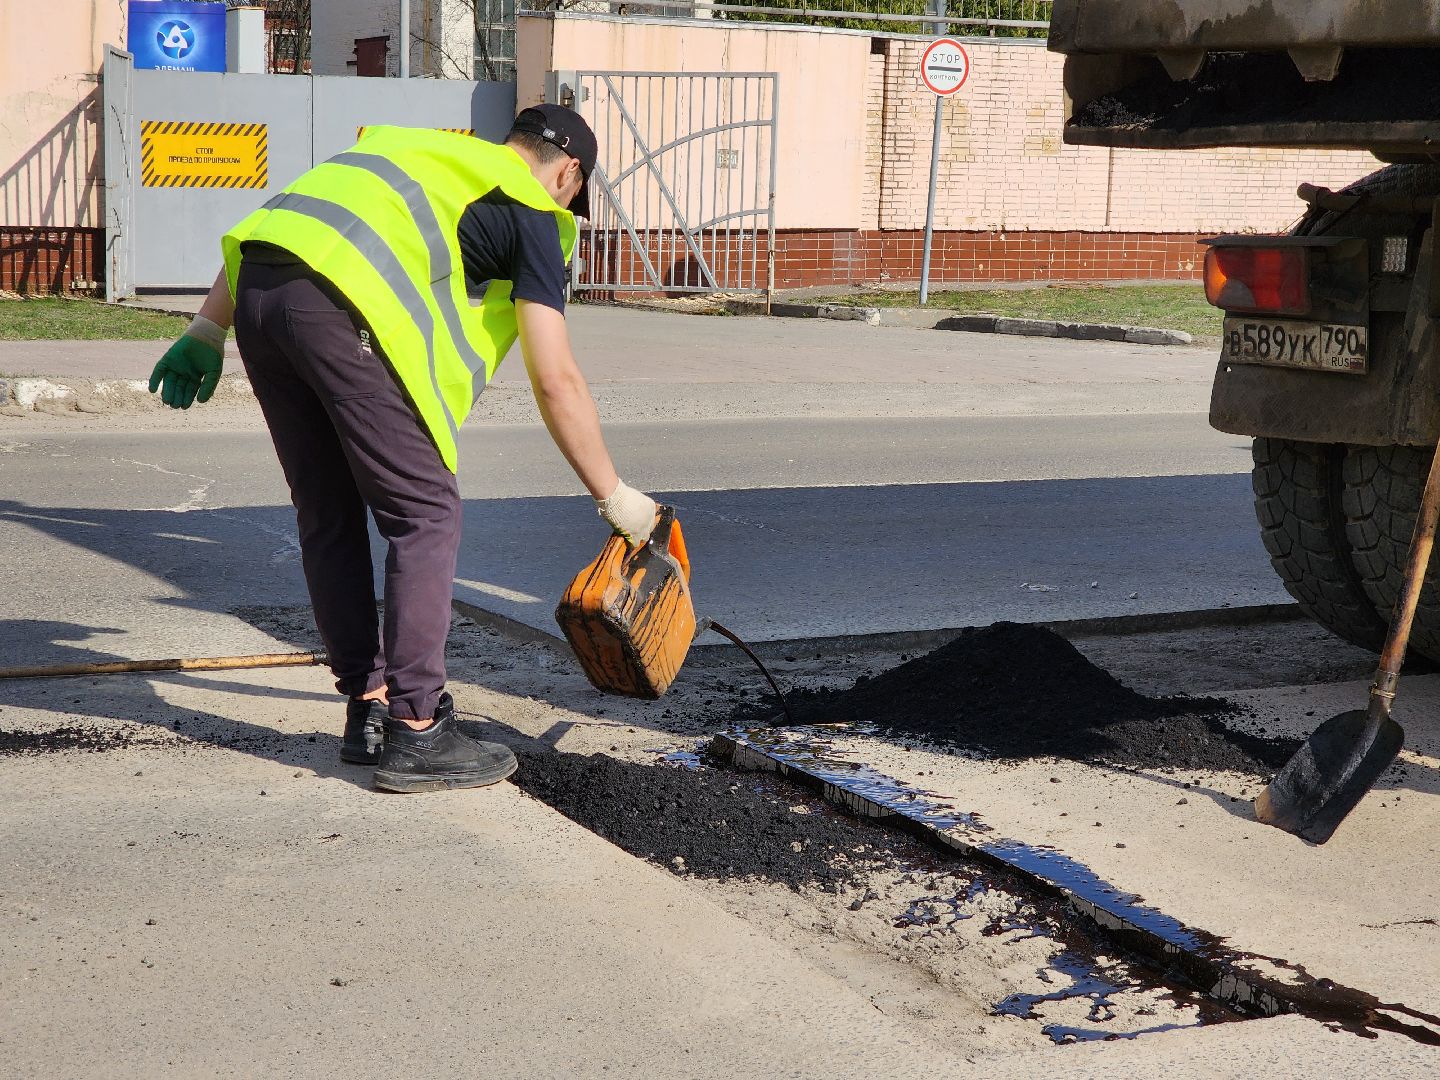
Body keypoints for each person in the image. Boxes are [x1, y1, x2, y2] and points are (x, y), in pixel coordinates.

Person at [149, 105, 659, 793]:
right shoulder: (532, 210)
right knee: (424, 513)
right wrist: (613, 495)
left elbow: (297, 225)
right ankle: (418, 730)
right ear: (568, 171)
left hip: (259, 292)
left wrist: (209, 328)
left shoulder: (412, 150)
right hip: (339, 316)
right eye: (573, 192)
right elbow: (555, 377)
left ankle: (369, 704)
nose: (567, 203)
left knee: (327, 510)